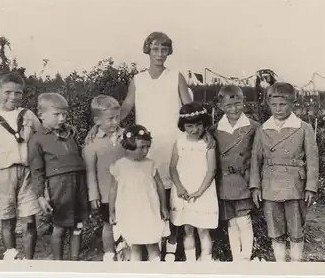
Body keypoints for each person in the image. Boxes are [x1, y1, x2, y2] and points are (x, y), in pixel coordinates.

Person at [87, 32, 214, 260]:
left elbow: (189, 106)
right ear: (147, 50)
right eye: (155, 49)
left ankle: (171, 248)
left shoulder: (176, 76)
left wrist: (205, 130)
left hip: (173, 143)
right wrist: (104, 127)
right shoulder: (137, 79)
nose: (159, 54)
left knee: (170, 193)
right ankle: (140, 242)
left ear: (169, 52)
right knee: (147, 193)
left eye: (164, 49)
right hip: (145, 145)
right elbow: (126, 105)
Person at [0, 71, 42, 260]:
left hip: (27, 174)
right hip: (1, 176)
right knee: (7, 220)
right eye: (8, 92)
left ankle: (29, 262)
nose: (13, 97)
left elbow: (43, 136)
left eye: (18, 93)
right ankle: (11, 258)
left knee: (29, 221)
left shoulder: (28, 115)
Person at [250, 82, 319, 262]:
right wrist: (255, 186)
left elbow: (312, 160)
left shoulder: (303, 128)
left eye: (283, 104)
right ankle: (280, 265)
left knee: (296, 228)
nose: (278, 109)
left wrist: (311, 187)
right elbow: (255, 160)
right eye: (274, 105)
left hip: (295, 185)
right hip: (270, 185)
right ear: (268, 104)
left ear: (292, 104)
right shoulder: (262, 129)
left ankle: (295, 265)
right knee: (275, 228)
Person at [28, 93, 89, 261]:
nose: (62, 118)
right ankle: (58, 264)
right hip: (59, 187)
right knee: (60, 227)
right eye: (57, 115)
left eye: (65, 114)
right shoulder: (37, 140)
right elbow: (37, 171)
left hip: (78, 184)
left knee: (78, 225)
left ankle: (75, 261)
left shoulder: (70, 133)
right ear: (41, 115)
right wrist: (41, 196)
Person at [210, 85, 260, 261]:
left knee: (244, 220)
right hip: (224, 182)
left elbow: (257, 157)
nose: (234, 109)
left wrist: (255, 183)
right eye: (229, 106)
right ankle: (236, 257)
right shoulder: (214, 130)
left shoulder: (253, 127)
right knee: (231, 222)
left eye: (238, 104)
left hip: (243, 181)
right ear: (221, 107)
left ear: (243, 103)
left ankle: (246, 256)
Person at [108, 125, 170, 262]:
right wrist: (111, 212)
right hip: (130, 211)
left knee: (152, 243)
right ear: (129, 146)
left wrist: (163, 207)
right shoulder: (119, 165)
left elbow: (160, 186)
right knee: (134, 245)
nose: (146, 151)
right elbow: (113, 190)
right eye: (141, 147)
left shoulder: (150, 164)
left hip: (149, 209)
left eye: (148, 147)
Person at [169, 102, 218, 262]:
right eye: (190, 126)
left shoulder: (208, 143)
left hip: (203, 190)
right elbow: (173, 168)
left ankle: (206, 261)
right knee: (188, 229)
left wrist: (199, 191)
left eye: (198, 125)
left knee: (203, 230)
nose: (195, 129)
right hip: (183, 191)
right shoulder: (179, 142)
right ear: (183, 126)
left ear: (204, 123)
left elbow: (211, 170)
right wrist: (180, 187)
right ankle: (191, 263)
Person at [83, 95, 125, 262]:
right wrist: (93, 195)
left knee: (125, 221)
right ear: (97, 120)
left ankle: (125, 251)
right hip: (106, 192)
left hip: (126, 190)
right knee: (108, 224)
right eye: (110, 119)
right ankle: (109, 253)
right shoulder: (92, 143)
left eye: (117, 117)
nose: (115, 122)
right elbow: (90, 172)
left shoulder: (125, 135)